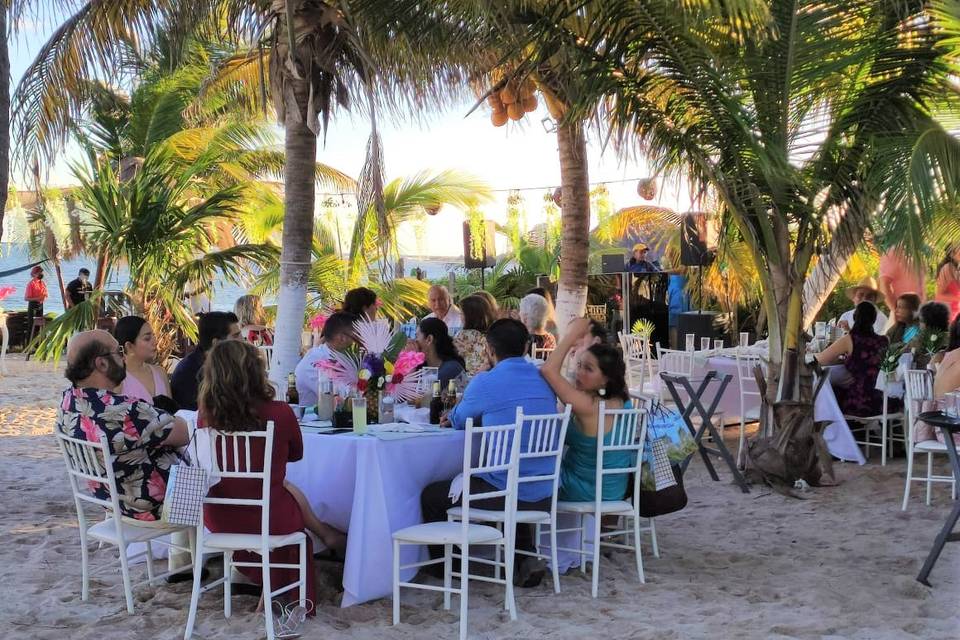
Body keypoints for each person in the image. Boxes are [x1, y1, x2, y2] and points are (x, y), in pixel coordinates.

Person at [198, 341, 345, 611]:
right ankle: (313, 551)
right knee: (282, 494)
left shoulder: (205, 416)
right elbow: (296, 455)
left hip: (220, 515)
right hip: (269, 517)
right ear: (256, 371)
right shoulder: (279, 412)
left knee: (279, 491)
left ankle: (269, 583)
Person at [420, 319, 560, 588]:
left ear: (489, 349)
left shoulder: (487, 382)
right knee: (507, 475)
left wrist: (483, 373)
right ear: (526, 346)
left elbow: (458, 419)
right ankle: (525, 557)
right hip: (544, 492)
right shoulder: (543, 377)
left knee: (432, 496)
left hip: (506, 495)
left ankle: (450, 568)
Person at [56, 330, 189, 521]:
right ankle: (211, 549)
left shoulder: (68, 402)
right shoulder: (121, 410)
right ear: (101, 363)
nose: (124, 358)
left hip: (112, 502)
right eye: (118, 352)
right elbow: (184, 433)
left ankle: (183, 551)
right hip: (156, 505)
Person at [540, 318, 634, 501]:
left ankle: (520, 526)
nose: (579, 373)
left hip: (585, 489)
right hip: (614, 488)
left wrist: (571, 335)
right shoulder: (621, 398)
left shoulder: (589, 405)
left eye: (588, 369)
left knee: (530, 474)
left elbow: (548, 370)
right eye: (579, 365)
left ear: (605, 379)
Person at [816, 301, 889, 417]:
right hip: (883, 400)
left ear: (855, 317)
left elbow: (821, 360)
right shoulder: (884, 341)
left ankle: (833, 430)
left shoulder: (849, 339)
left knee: (827, 387)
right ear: (874, 320)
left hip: (858, 399)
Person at [170, 311, 241, 410]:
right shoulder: (189, 372)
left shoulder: (225, 363)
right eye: (236, 336)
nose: (242, 340)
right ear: (216, 343)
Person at [294, 311, 357, 406]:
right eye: (355, 336)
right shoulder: (314, 362)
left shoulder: (338, 356)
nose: (355, 341)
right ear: (342, 338)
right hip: (314, 418)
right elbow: (337, 397)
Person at [113, 316, 172, 403]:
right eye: (147, 339)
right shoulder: (117, 380)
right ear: (129, 346)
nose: (155, 341)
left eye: (153, 336)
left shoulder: (160, 373)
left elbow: (172, 413)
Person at [415, 317, 465, 386]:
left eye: (417, 336)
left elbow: (427, 393)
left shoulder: (451, 368)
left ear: (429, 339)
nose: (415, 341)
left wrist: (412, 362)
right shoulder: (422, 367)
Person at [453, 295, 496, 375]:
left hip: (470, 379)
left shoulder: (464, 335)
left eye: (461, 314)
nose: (460, 317)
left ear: (469, 316)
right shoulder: (494, 334)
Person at [909, 301, 951, 368]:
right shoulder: (952, 339)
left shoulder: (920, 340)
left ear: (928, 324)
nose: (919, 324)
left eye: (920, 321)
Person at [934, 245, 960, 323]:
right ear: (952, 254)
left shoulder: (956, 269)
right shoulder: (947, 269)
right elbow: (938, 296)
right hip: (946, 315)